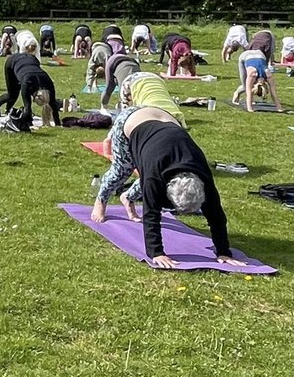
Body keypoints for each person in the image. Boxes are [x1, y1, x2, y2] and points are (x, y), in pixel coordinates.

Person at [88, 105, 242, 269]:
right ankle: (101, 201)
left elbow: (216, 215)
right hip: (130, 121)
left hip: (165, 121)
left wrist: (223, 251)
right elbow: (151, 214)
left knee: (148, 183)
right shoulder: (155, 176)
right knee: (122, 171)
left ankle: (127, 197)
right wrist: (157, 252)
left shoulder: (203, 178)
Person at [0, 52, 61, 132]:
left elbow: (53, 104)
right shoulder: (26, 84)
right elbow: (27, 108)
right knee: (12, 95)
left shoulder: (48, 84)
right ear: (34, 97)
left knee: (14, 96)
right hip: (13, 61)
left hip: (31, 59)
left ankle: (8, 111)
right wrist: (29, 126)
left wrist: (58, 124)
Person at [121, 72, 188, 127]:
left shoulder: (145, 116)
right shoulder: (178, 117)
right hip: (155, 78)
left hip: (135, 79)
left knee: (126, 114)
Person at [232, 47, 284, 112]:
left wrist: (279, 108)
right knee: (245, 86)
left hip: (260, 54)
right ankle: (237, 93)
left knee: (247, 86)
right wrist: (250, 109)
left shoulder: (268, 75)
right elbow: (248, 93)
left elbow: (274, 93)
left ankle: (249, 100)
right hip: (245, 55)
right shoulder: (253, 74)